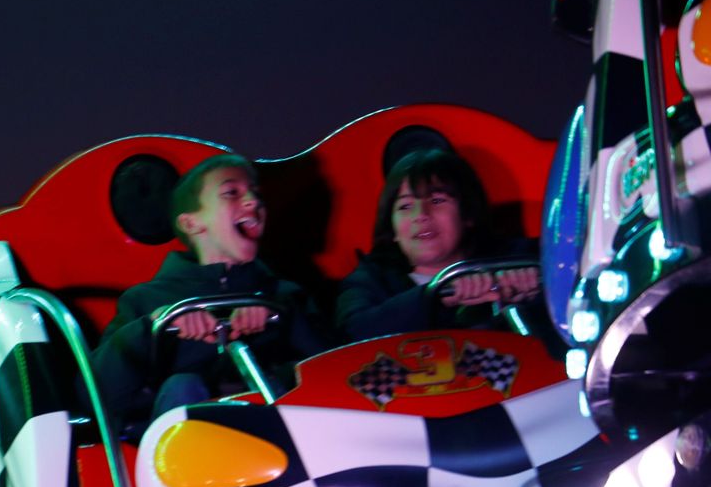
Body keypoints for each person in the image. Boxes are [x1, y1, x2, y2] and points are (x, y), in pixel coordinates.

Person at [91, 153, 330, 421]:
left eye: (255, 193)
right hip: (183, 445)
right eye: (231, 193)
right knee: (182, 385)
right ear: (191, 223)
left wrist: (283, 317)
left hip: (273, 434)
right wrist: (155, 325)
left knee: (272, 383)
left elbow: (332, 376)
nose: (253, 201)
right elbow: (97, 395)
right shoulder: (143, 300)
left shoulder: (286, 295)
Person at [336, 149, 539, 340]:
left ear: (467, 213)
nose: (421, 216)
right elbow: (352, 334)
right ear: (392, 229)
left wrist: (535, 296)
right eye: (405, 206)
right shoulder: (369, 282)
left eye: (436, 201)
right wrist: (436, 297)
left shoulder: (522, 258)